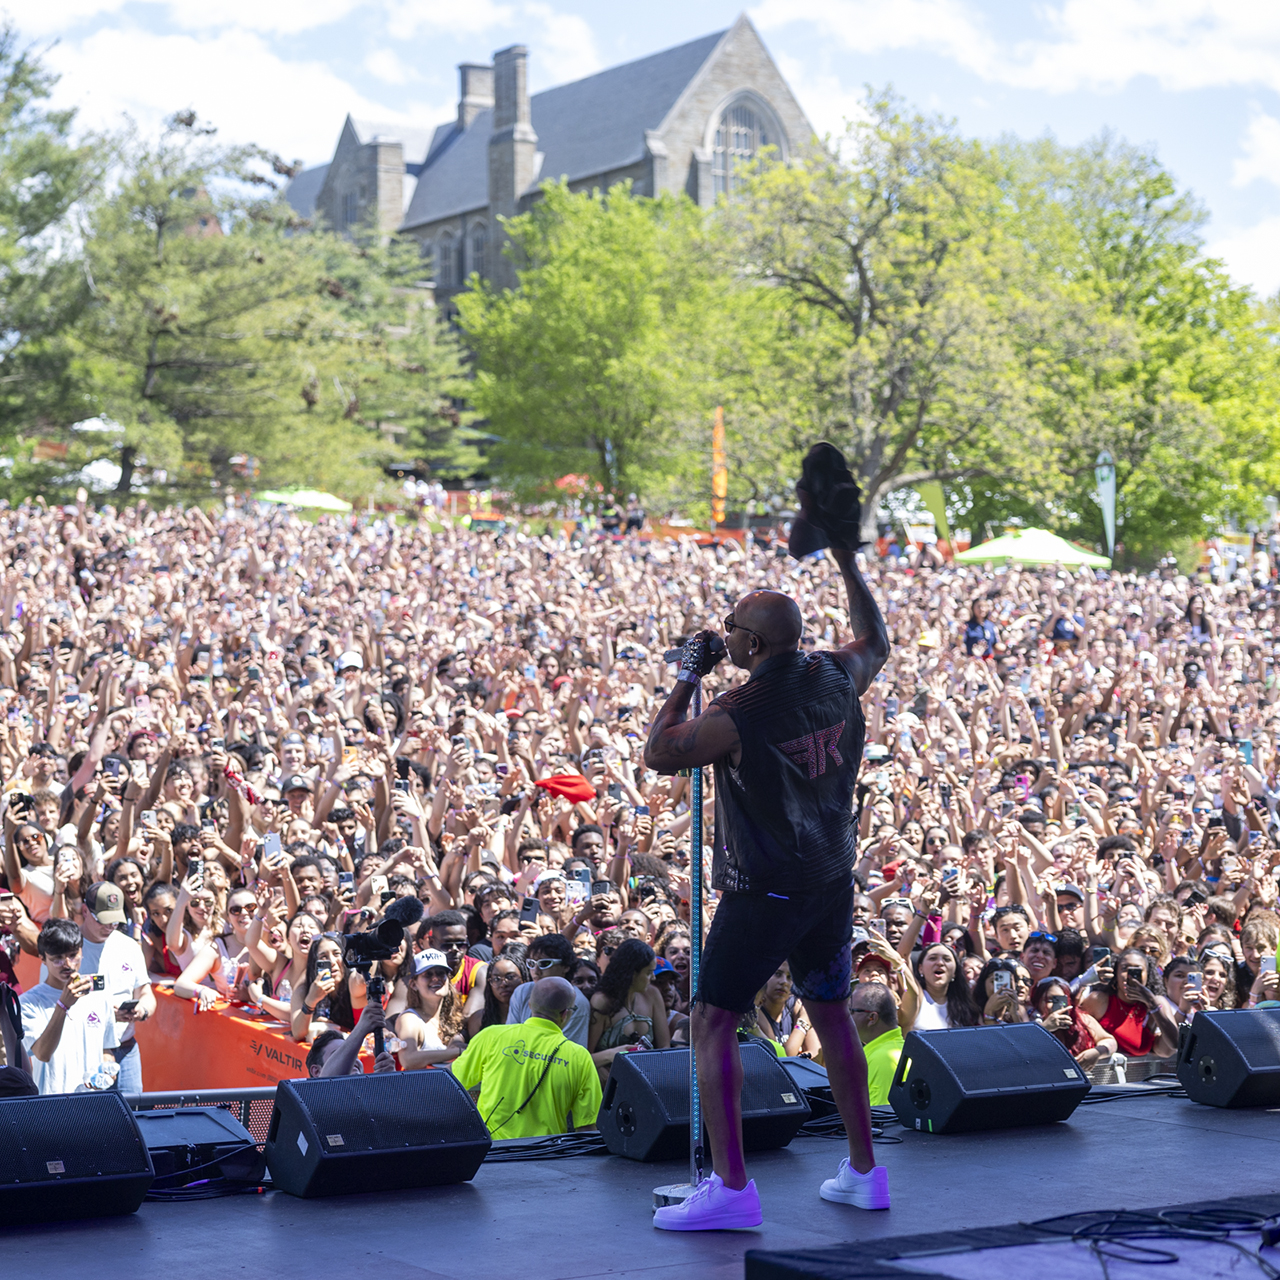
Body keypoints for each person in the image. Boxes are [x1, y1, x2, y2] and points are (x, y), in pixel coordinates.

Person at [645, 503, 891, 1229]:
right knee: (832, 1012)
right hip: (829, 880)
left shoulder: (740, 709)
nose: (725, 635)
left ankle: (730, 1189)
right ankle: (865, 1172)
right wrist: (848, 560)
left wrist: (687, 677)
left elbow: (661, 753)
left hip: (766, 889)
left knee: (713, 1020)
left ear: (750, 643)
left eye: (731, 628)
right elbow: (876, 637)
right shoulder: (841, 675)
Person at [450, 976, 602, 1139]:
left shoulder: (491, 1035)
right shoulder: (579, 1057)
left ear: (530, 1005)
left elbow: (451, 1083)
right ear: (565, 1014)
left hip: (492, 1154)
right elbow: (587, 1129)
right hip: (545, 1156)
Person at [73, 882, 155, 1094]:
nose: (109, 927)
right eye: (104, 921)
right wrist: (107, 1016)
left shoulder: (128, 946)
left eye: (115, 922)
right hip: (85, 1051)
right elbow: (57, 1002)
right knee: (91, 1120)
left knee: (133, 1116)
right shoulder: (68, 949)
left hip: (126, 1049)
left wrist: (142, 1010)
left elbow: (145, 992)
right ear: (85, 911)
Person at [20, 918, 114, 1094]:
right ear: (43, 959)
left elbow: (106, 1049)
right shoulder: (28, 1002)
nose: (68, 965)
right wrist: (62, 1006)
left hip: (93, 1103)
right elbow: (42, 1054)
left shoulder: (99, 994)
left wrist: (107, 1069)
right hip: (52, 1104)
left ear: (81, 951)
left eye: (73, 955)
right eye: (57, 959)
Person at [505, 933, 591, 1047]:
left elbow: (567, 1051)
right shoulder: (522, 991)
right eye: (531, 963)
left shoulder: (578, 1002)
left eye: (544, 963)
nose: (536, 971)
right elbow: (509, 1037)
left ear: (566, 966)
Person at [848, 983, 903, 1104]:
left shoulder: (883, 1061)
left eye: (851, 1010)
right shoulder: (885, 1052)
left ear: (872, 1018)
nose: (846, 1016)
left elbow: (881, 1120)